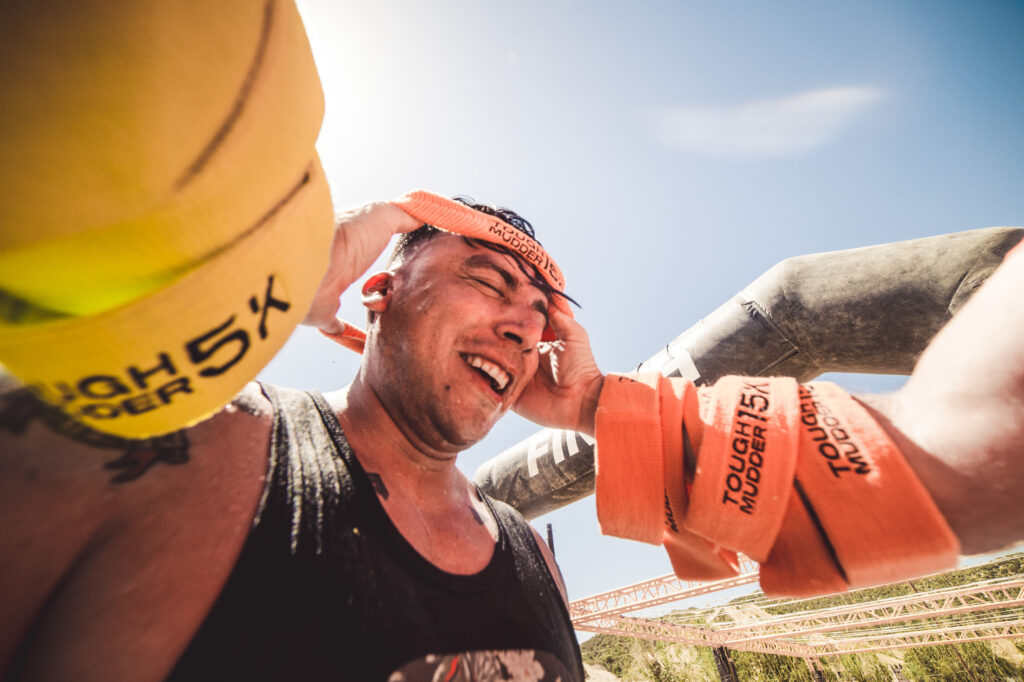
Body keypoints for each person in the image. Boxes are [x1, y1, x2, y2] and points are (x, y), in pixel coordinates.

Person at [0, 198, 601, 681]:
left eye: (541, 318)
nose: (526, 330)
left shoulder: (536, 557)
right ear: (379, 293)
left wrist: (597, 407)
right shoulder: (206, 443)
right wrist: (280, 273)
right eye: (491, 283)